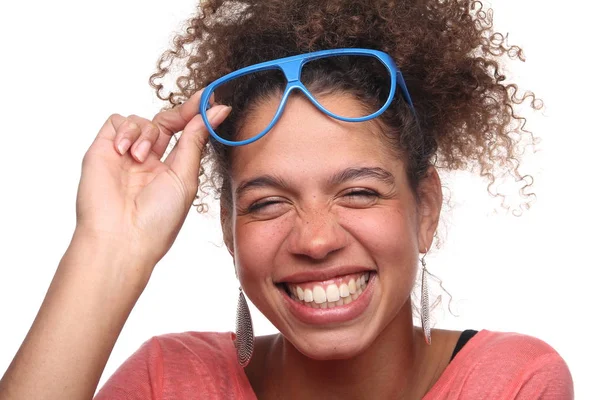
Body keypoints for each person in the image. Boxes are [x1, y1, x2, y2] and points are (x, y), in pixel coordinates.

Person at [0, 0, 574, 398]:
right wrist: (110, 247)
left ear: (424, 210)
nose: (317, 239)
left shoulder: (513, 381)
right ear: (229, 229)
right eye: (268, 203)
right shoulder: (167, 378)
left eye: (358, 192)